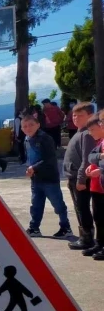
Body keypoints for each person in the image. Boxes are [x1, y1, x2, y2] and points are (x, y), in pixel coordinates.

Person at [21, 114, 71, 238]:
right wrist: (29, 168)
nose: (28, 128)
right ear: (22, 129)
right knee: (36, 204)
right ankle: (34, 228)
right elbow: (29, 158)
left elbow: (49, 159)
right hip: (36, 179)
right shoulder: (26, 140)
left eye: (31, 125)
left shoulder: (45, 138)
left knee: (58, 204)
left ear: (38, 125)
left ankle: (65, 227)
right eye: (25, 126)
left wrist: (34, 168)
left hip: (49, 178)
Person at [63, 102, 96, 250]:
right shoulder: (79, 133)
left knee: (82, 208)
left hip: (81, 178)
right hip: (74, 177)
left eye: (80, 115)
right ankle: (84, 236)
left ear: (90, 115)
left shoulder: (87, 134)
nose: (75, 118)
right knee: (79, 208)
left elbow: (86, 158)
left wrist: (81, 179)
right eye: (74, 115)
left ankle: (87, 238)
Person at [85, 114, 104, 259]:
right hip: (97, 187)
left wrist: (101, 170)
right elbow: (91, 156)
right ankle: (100, 243)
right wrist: (99, 158)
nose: (90, 133)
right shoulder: (100, 143)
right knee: (98, 217)